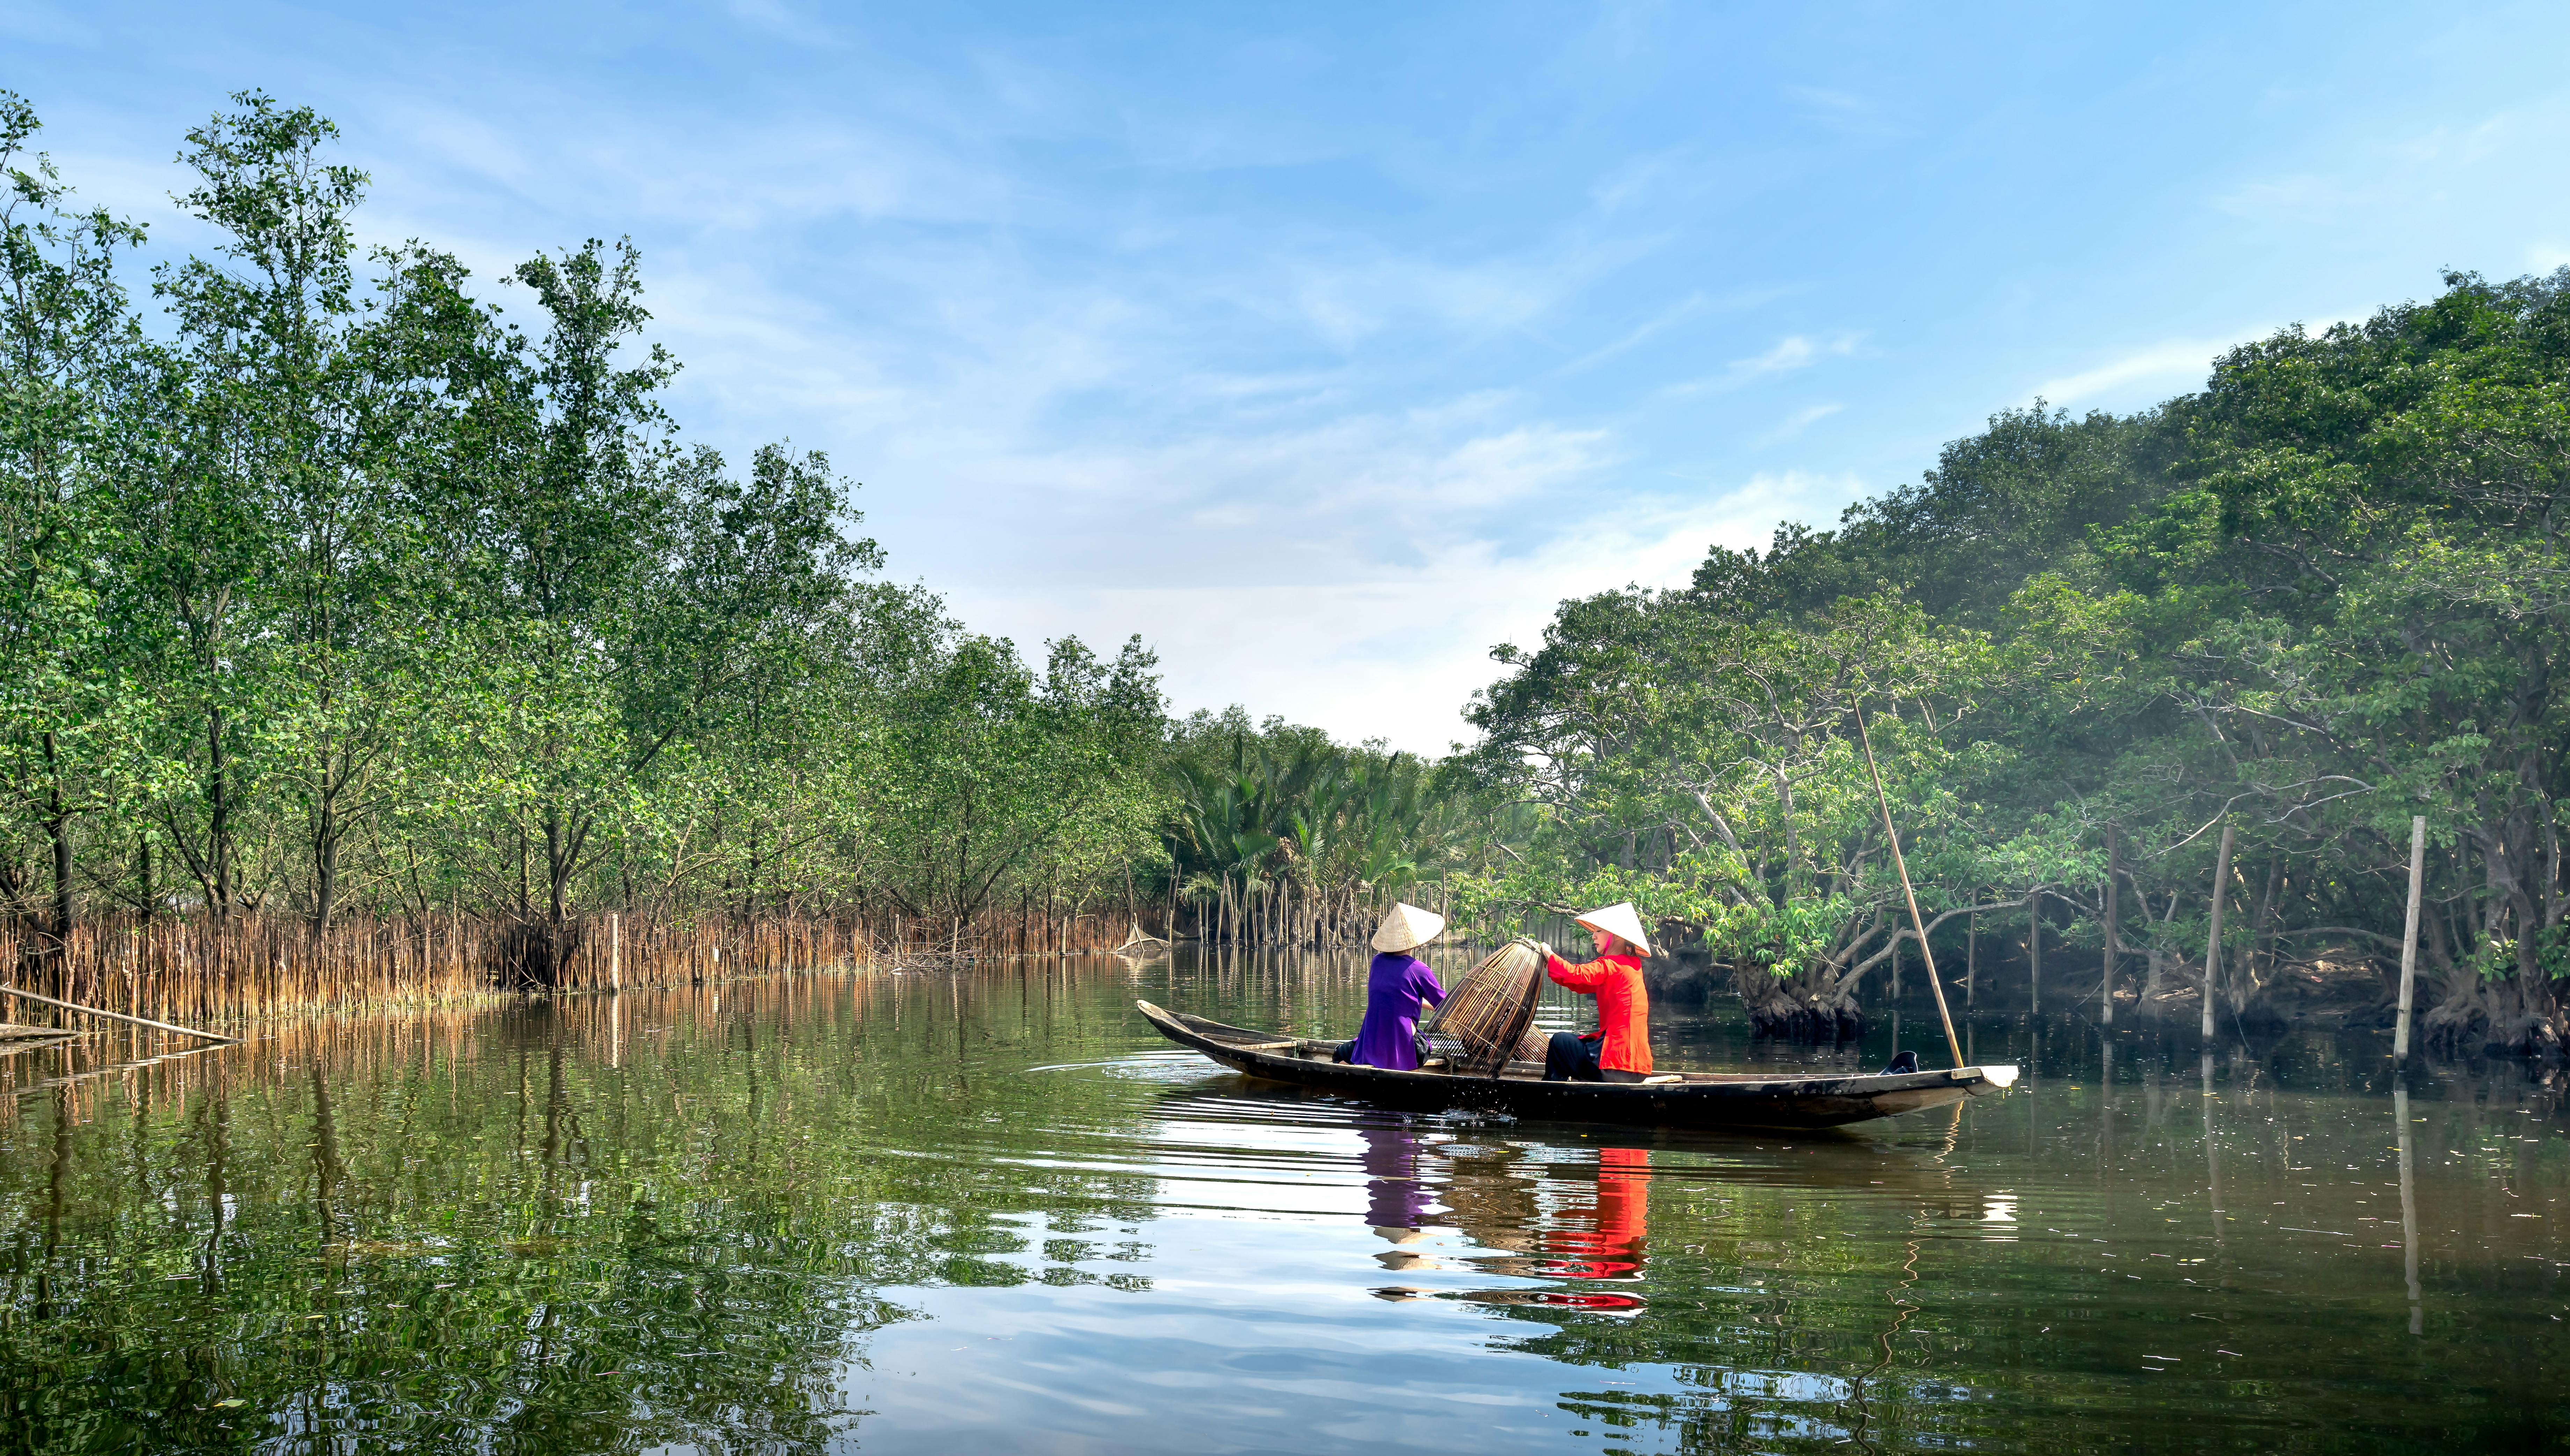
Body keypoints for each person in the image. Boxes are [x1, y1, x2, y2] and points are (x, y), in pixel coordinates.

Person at [1540, 902, 1653, 1082]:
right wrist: (1552, 965)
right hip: (1637, 1068)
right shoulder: (1632, 966)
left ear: (1615, 936)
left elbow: (1575, 974)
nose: (1593, 936)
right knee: (1577, 1043)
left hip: (1616, 1064)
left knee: (1559, 1042)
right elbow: (1580, 984)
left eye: (1599, 931)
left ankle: (1551, 1093)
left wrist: (1549, 954)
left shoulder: (1611, 965)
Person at [1334, 902, 1449, 1070]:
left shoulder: (1377, 962)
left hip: (1370, 1045)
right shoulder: (1419, 970)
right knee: (1424, 1049)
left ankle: (1351, 1067)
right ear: (1416, 941)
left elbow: (1399, 997)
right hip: (1406, 1049)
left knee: (1339, 1054)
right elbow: (1446, 1005)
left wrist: (1426, 1005)